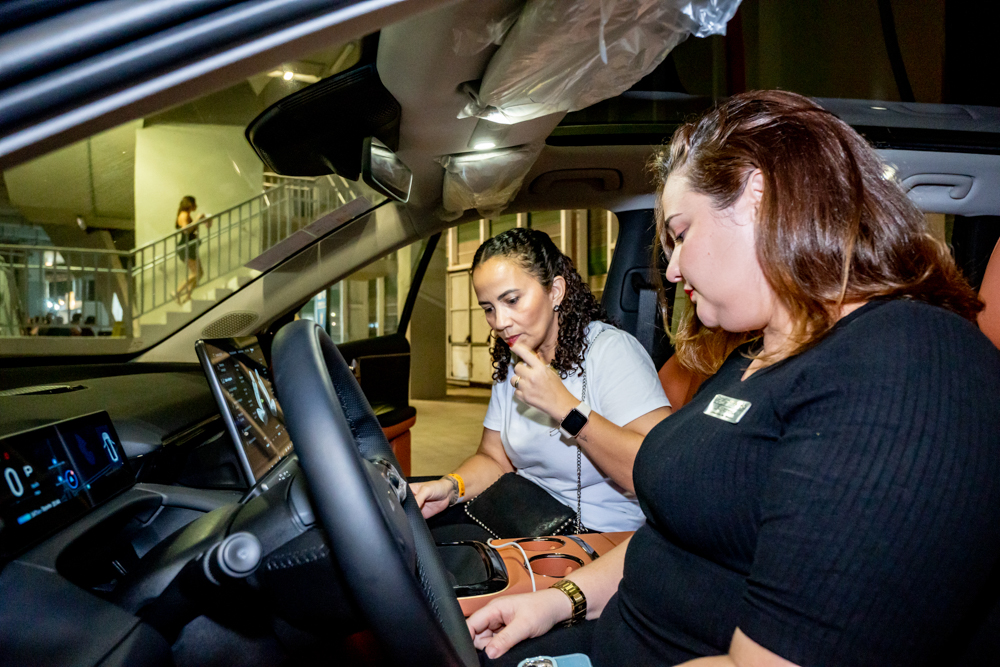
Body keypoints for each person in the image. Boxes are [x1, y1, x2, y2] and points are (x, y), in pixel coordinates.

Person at [467, 91, 1000, 667]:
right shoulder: (751, 358)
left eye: (681, 232)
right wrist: (558, 601)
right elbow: (681, 534)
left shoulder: (907, 362)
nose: (670, 269)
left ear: (756, 195)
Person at [412, 228, 671, 538]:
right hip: (526, 513)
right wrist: (451, 488)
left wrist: (564, 408)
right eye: (489, 308)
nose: (500, 322)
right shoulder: (515, 359)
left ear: (555, 291)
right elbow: (494, 458)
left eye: (512, 300)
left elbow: (656, 474)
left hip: (597, 534)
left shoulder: (611, 351)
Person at [174, 195, 209, 304]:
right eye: (194, 203)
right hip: (185, 247)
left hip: (190, 246)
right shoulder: (184, 215)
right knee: (196, 273)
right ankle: (177, 292)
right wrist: (198, 219)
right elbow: (186, 230)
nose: (196, 206)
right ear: (190, 204)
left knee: (200, 273)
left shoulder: (187, 215)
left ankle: (188, 296)